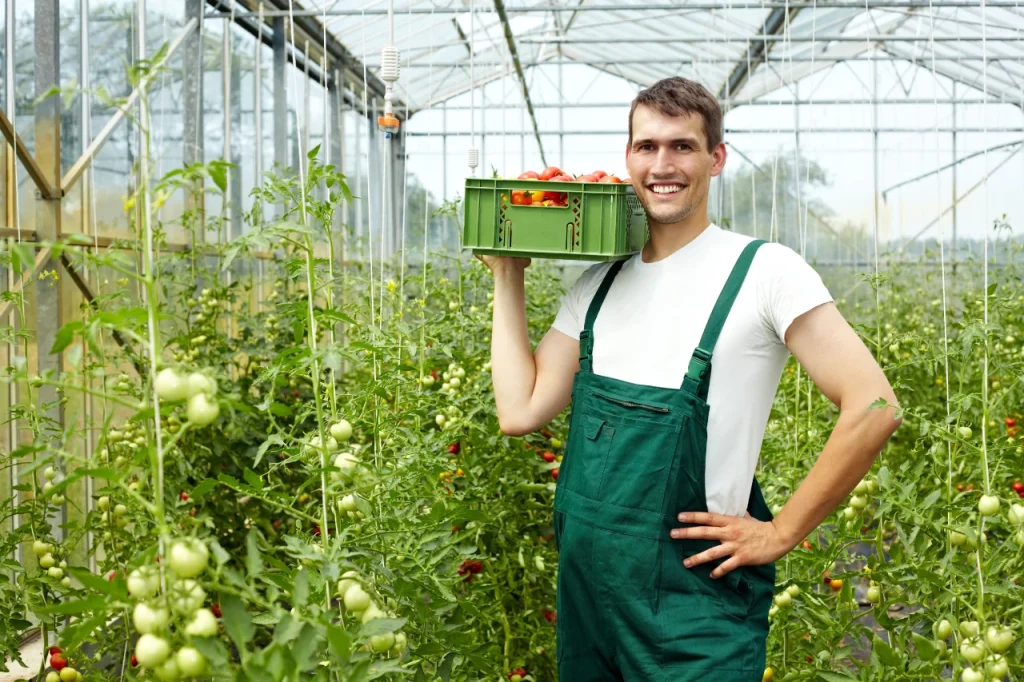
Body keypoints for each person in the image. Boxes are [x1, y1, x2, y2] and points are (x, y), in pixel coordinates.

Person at [476, 76, 901, 681]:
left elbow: (875, 406)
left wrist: (781, 532)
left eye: (682, 146)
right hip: (590, 607)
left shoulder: (763, 272)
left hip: (694, 614)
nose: (662, 164)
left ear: (716, 158)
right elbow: (518, 411)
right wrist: (506, 273)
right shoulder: (597, 285)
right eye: (646, 147)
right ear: (627, 159)